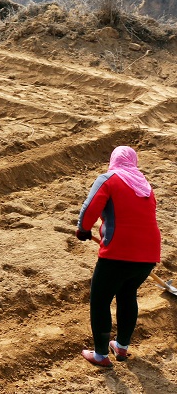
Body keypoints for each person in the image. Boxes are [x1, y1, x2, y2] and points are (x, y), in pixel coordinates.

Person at [76, 145, 161, 368]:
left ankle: (101, 354)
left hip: (117, 254)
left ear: (113, 160)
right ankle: (121, 346)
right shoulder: (145, 185)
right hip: (148, 255)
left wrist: (82, 230)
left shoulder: (109, 179)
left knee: (100, 300)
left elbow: (90, 207)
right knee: (127, 294)